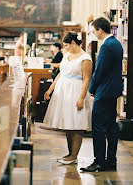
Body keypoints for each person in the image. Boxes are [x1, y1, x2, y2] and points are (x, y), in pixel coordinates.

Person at [81, 17, 123, 172]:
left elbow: (100, 71)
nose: (93, 34)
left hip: (104, 92)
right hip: (113, 91)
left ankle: (99, 161)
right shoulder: (117, 43)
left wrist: (91, 88)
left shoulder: (106, 46)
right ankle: (111, 161)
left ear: (100, 30)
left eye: (94, 31)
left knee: (98, 127)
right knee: (111, 127)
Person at [43, 32, 92, 165]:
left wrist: (81, 98)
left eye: (66, 45)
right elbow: (60, 74)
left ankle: (74, 155)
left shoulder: (85, 58)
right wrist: (50, 89)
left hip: (76, 91)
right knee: (67, 123)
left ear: (73, 43)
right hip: (63, 91)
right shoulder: (66, 55)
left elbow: (87, 79)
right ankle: (70, 154)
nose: (65, 48)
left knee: (76, 124)